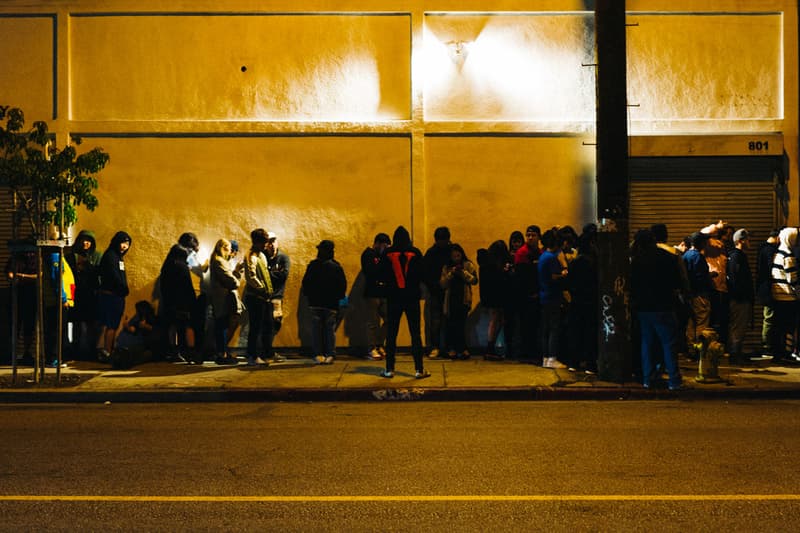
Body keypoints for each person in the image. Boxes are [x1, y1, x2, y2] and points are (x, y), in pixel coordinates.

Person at [630, 229, 683, 390]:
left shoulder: (636, 260)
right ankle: (673, 380)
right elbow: (677, 282)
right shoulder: (667, 257)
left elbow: (632, 285)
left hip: (643, 308)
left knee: (647, 342)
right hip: (664, 306)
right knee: (668, 343)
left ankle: (648, 378)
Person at [380, 225, 430, 379]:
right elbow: (423, 274)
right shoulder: (415, 252)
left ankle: (389, 369)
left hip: (393, 298)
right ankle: (419, 369)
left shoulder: (388, 253)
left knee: (391, 333)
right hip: (411, 297)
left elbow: (381, 274)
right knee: (415, 333)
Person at [302, 240, 347, 364]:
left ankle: (318, 353)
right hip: (331, 303)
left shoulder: (313, 265)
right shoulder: (336, 267)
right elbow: (342, 285)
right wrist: (338, 297)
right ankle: (330, 353)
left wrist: (309, 296)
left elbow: (306, 283)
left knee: (317, 329)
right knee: (329, 329)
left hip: (315, 302)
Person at [64, 230, 102, 359]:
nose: (86, 243)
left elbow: (100, 273)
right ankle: (75, 349)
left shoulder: (96, 256)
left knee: (91, 324)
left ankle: (91, 350)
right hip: (76, 294)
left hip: (91, 294)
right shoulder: (71, 256)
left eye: (89, 241)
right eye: (83, 240)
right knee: (76, 324)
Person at [565, 230, 598, 374]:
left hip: (576, 301)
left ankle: (574, 362)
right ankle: (590, 364)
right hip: (590, 301)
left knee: (575, 332)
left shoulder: (575, 263)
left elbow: (568, 282)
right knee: (589, 332)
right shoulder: (594, 262)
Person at [97, 231, 132, 361]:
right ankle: (107, 352)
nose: (125, 246)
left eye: (127, 244)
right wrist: (123, 289)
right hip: (112, 296)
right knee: (111, 325)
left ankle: (108, 351)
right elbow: (114, 276)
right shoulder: (111, 256)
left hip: (116, 295)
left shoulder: (117, 256)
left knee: (112, 325)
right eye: (123, 242)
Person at [159, 242, 197, 363]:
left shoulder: (166, 266)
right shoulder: (182, 266)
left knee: (173, 326)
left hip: (170, 302)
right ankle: (191, 353)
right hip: (182, 302)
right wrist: (193, 300)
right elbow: (187, 285)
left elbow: (163, 286)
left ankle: (173, 351)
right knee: (187, 326)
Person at [440, 243, 478, 359]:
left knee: (461, 324)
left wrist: (463, 273)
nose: (456, 258)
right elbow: (442, 284)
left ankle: (462, 348)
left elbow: (475, 280)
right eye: (454, 256)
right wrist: (451, 273)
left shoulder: (468, 265)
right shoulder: (446, 267)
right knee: (451, 324)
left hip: (464, 299)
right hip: (451, 299)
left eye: (458, 255)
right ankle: (452, 348)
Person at [209, 238, 244, 365]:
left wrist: (237, 271)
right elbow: (232, 282)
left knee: (223, 325)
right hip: (222, 299)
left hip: (222, 298)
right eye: (229, 249)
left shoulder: (220, 261)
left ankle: (222, 352)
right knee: (222, 326)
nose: (230, 253)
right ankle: (221, 354)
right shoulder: (219, 262)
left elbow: (230, 277)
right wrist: (237, 279)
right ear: (224, 248)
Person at [478, 239, 514, 360]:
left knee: (496, 320)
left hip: (490, 296)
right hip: (496, 296)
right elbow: (498, 280)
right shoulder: (493, 265)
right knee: (496, 320)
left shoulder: (486, 263)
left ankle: (490, 347)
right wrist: (505, 272)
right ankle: (490, 347)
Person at [243, 228, 274, 366]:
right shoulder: (251, 256)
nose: (266, 245)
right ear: (257, 242)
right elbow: (251, 276)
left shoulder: (260, 255)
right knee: (255, 327)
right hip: (256, 296)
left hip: (263, 297)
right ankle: (252, 355)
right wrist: (262, 289)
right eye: (264, 242)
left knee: (262, 326)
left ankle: (258, 354)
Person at [538, 228, 568, 369]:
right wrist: (564, 271)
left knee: (545, 329)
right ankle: (552, 357)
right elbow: (555, 277)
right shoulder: (551, 258)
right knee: (554, 328)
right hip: (553, 297)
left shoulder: (543, 256)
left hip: (544, 296)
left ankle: (545, 357)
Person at [769, 227, 799, 363]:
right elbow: (793, 280)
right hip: (788, 297)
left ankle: (778, 354)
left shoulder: (778, 253)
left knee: (779, 327)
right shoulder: (788, 256)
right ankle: (786, 353)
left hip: (778, 296)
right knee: (788, 327)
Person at [683, 231, 714, 359]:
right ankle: (700, 349)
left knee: (691, 322)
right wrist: (711, 276)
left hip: (688, 295)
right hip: (700, 295)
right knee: (701, 322)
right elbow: (700, 277)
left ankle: (691, 349)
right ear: (700, 243)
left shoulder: (686, 256)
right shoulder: (697, 257)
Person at [179, 233, 210, 359]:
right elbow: (197, 270)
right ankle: (194, 352)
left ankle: (194, 351)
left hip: (197, 293)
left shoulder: (186, 255)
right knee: (194, 324)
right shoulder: (188, 256)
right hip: (193, 293)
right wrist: (205, 264)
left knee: (194, 324)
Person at [361, 232, 391, 360]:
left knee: (389, 319)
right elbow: (372, 271)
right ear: (378, 244)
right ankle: (372, 348)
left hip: (384, 292)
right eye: (385, 246)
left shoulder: (384, 256)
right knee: (373, 322)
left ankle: (379, 344)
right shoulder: (368, 254)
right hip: (372, 293)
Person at [514, 225, 542, 362]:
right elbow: (522, 277)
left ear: (538, 237)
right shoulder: (522, 253)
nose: (530, 237)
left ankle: (532, 352)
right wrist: (529, 293)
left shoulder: (540, 252)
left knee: (534, 325)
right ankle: (526, 353)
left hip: (537, 294)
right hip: (526, 296)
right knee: (526, 325)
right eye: (528, 235)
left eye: (533, 235)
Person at [5, 247, 38, 364]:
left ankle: (27, 353)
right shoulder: (16, 259)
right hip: (17, 297)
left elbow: (39, 276)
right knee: (15, 326)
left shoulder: (37, 259)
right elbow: (9, 275)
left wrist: (20, 276)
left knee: (29, 327)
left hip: (31, 297)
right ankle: (12, 353)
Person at [726, 229, 754, 364]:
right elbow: (736, 279)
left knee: (739, 326)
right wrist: (741, 296)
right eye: (748, 239)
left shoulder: (737, 256)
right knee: (738, 326)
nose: (750, 242)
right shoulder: (737, 256)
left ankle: (736, 353)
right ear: (740, 241)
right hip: (739, 299)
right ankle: (735, 355)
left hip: (739, 298)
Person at [423, 226, 451, 358]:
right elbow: (425, 273)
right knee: (437, 321)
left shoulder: (432, 252)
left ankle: (439, 347)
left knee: (438, 320)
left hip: (441, 291)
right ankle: (437, 346)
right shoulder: (434, 253)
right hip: (437, 291)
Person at [757, 229, 780, 358]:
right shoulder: (770, 250)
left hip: (764, 289)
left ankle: (767, 345)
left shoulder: (762, 249)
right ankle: (766, 346)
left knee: (769, 317)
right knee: (769, 318)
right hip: (769, 290)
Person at [265, 232, 290, 343]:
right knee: (265, 324)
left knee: (276, 322)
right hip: (264, 296)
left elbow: (284, 275)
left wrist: (268, 273)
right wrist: (275, 273)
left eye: (274, 241)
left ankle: (268, 349)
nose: (272, 244)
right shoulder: (263, 257)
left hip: (277, 297)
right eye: (269, 242)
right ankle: (266, 350)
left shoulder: (283, 258)